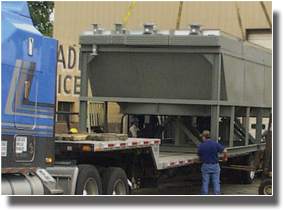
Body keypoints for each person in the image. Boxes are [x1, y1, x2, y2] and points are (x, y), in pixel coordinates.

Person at [197, 130, 228, 195]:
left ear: (204, 137)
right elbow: (225, 151)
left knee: (205, 183)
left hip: (206, 165)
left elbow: (199, 157)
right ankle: (217, 194)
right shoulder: (215, 144)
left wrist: (201, 159)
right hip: (215, 165)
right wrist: (225, 156)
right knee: (216, 182)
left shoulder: (202, 145)